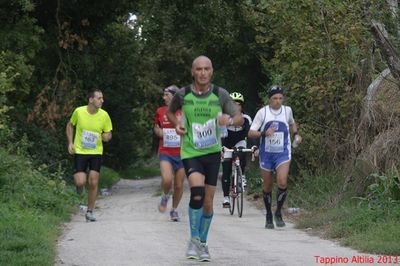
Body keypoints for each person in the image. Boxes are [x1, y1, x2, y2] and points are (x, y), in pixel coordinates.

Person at [166, 55, 244, 262]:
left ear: (211, 71)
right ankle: (193, 240)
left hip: (212, 152)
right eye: (198, 69)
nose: (202, 73)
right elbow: (170, 113)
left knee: (208, 202)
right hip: (191, 151)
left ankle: (203, 243)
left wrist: (228, 119)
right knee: (197, 193)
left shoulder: (220, 94)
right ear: (193, 72)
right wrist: (177, 124)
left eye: (206, 69)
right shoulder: (183, 94)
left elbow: (239, 117)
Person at [248, 85, 302, 229]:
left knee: (282, 182)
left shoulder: (287, 110)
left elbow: (291, 122)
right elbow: (251, 132)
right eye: (274, 98)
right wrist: (264, 133)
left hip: (283, 152)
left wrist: (296, 134)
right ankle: (268, 215)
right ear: (269, 99)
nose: (278, 101)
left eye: (280, 98)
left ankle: (278, 212)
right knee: (267, 185)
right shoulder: (263, 113)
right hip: (267, 153)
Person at [66, 88, 113, 222]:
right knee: (80, 181)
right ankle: (79, 186)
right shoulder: (79, 112)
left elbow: (108, 133)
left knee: (93, 182)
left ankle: (90, 211)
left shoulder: (104, 115)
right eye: (99, 98)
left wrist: (106, 137)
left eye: (102, 98)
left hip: (96, 152)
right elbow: (70, 125)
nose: (102, 101)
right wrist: (70, 143)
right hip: (80, 151)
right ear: (91, 99)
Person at [153, 85, 186, 221]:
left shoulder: (185, 111)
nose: (164, 97)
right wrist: (159, 132)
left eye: (167, 95)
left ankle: (174, 209)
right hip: (166, 151)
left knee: (179, 185)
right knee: (167, 179)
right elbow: (156, 126)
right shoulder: (160, 111)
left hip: (183, 153)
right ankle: (165, 195)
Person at [221, 92, 253, 208]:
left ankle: (242, 175)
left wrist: (254, 146)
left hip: (240, 141)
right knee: (226, 168)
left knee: (241, 151)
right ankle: (226, 198)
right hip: (226, 142)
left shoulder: (246, 117)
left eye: (238, 104)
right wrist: (220, 148)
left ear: (241, 106)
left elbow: (250, 133)